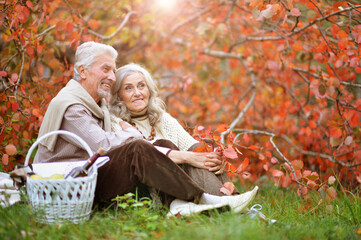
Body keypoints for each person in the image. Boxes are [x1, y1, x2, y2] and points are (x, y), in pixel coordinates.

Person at [34, 41, 258, 217]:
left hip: (88, 176)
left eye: (113, 70)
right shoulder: (73, 106)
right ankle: (202, 199)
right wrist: (130, 133)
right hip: (66, 187)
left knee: (173, 146)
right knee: (138, 147)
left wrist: (201, 159)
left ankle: (214, 200)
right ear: (83, 71)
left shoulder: (95, 102)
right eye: (106, 69)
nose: (111, 77)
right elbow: (103, 146)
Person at [109, 63, 258, 212]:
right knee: (165, 144)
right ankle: (234, 207)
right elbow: (141, 154)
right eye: (128, 88)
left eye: (141, 86)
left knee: (199, 150)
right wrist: (186, 157)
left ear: (149, 89)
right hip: (149, 191)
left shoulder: (163, 119)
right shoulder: (115, 122)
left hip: (182, 185)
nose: (137, 93)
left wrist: (213, 159)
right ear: (118, 95)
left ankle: (232, 202)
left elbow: (194, 149)